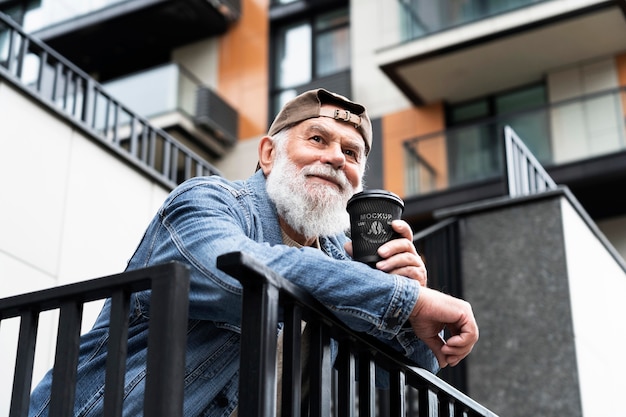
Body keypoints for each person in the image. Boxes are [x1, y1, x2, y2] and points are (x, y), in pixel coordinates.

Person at [29, 88, 478, 416]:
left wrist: (407, 293)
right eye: (317, 140)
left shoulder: (342, 264)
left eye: (352, 152)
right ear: (268, 154)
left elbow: (393, 373)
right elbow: (231, 272)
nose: (338, 158)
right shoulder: (205, 201)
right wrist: (404, 302)